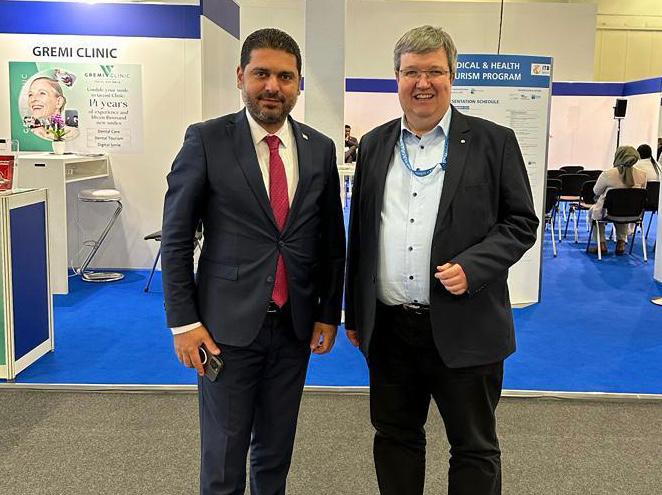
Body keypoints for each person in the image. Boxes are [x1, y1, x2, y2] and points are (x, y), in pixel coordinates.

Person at [344, 25, 538, 495]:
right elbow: (361, 235)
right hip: (390, 329)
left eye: (434, 71)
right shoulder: (374, 144)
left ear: (453, 76)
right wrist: (355, 312)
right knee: (395, 438)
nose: (423, 83)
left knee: (473, 447)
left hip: (467, 324)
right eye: (412, 72)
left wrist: (475, 266)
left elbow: (520, 222)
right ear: (396, 77)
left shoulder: (493, 141)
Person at [161, 28, 345, 494]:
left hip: (293, 327)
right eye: (261, 74)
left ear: (299, 83)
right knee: (223, 459)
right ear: (240, 76)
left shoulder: (320, 147)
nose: (272, 86)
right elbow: (177, 238)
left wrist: (328, 312)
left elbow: (330, 241)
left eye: (285, 77)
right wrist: (184, 323)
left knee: (275, 453)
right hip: (224, 329)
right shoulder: (206, 140)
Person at [587, 145, 647, 255]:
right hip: (633, 214)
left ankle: (601, 244)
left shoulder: (608, 174)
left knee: (594, 212)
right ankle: (621, 243)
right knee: (624, 208)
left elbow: (596, 191)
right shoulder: (642, 175)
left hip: (609, 212)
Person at [25, 76, 79, 141]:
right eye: (30, 95)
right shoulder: (32, 129)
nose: (33, 99)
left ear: (59, 102)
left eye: (42, 93)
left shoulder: (71, 131)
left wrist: (44, 133)